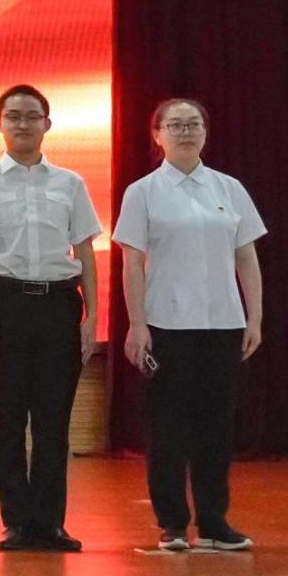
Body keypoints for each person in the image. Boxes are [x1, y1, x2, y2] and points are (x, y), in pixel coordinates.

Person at [0, 84, 100, 554]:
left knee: (54, 423)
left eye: (32, 116)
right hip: (6, 306)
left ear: (47, 124)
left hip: (60, 306)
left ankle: (50, 524)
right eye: (13, 116)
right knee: (9, 420)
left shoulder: (70, 183)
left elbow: (85, 251)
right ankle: (16, 522)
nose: (22, 124)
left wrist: (92, 316)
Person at [114, 98, 265, 552]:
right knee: (168, 427)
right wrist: (137, 324)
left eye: (193, 124)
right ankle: (173, 523)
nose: (185, 132)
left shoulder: (229, 188)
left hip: (222, 323)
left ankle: (215, 523)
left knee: (216, 426)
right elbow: (132, 263)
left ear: (205, 132)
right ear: (157, 135)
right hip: (167, 324)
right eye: (175, 125)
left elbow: (246, 257)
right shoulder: (142, 192)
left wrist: (254, 317)